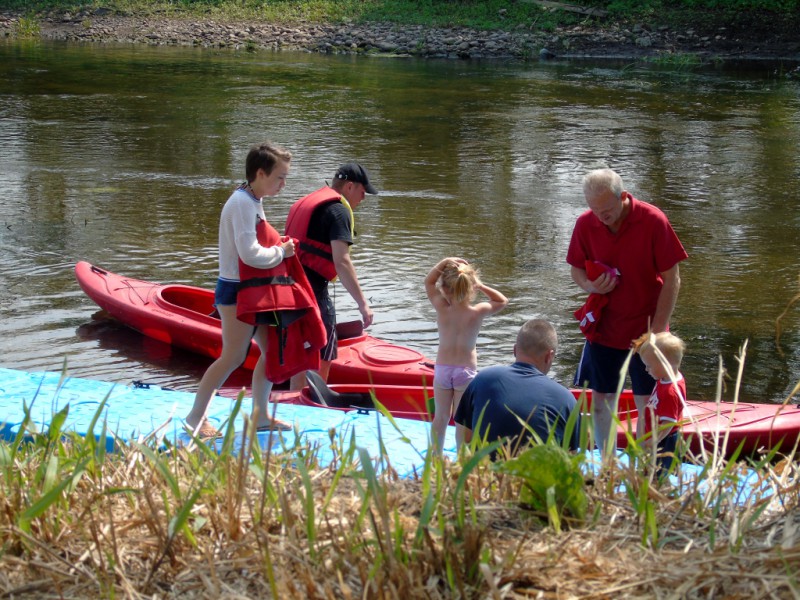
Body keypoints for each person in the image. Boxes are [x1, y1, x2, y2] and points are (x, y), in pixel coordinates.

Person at [566, 168, 687, 456]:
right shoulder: (586, 223)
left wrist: (657, 331)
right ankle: (606, 462)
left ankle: (646, 463)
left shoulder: (653, 220)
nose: (600, 217)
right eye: (594, 210)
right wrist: (590, 286)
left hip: (647, 328)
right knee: (600, 399)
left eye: (606, 210)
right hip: (605, 330)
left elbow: (673, 279)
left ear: (623, 197)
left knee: (648, 401)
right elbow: (576, 270)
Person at [185, 142, 294, 439]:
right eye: (280, 177)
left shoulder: (251, 199)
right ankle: (195, 418)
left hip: (253, 290)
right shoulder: (242, 203)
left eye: (285, 178)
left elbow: (253, 247)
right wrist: (281, 253)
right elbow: (249, 254)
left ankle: (259, 416)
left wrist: (276, 248)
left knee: (271, 353)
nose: (283, 184)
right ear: (260, 173)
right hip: (235, 291)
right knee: (232, 357)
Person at [286, 162, 378, 390]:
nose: (363, 198)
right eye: (362, 191)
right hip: (312, 291)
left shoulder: (310, 201)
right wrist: (363, 304)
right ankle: (310, 406)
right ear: (349, 187)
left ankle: (294, 399)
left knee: (299, 350)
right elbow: (342, 261)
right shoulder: (338, 211)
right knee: (324, 347)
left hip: (288, 288)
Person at [454, 319, 581, 455]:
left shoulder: (482, 379)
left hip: (485, 473)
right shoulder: (566, 399)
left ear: (514, 350)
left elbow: (463, 441)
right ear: (549, 356)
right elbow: (570, 459)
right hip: (535, 475)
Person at [425, 257, 508, 453]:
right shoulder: (477, 312)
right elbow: (502, 301)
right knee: (462, 422)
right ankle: (462, 459)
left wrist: (444, 262)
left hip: (443, 370)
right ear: (470, 288)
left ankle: (436, 457)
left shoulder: (441, 307)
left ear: (444, 289)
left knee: (441, 417)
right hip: (465, 372)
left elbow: (428, 282)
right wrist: (480, 285)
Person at [633, 331, 687, 476]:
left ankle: (659, 494)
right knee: (651, 472)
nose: (646, 369)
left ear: (664, 364)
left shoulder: (670, 391)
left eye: (649, 366)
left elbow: (668, 424)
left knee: (660, 474)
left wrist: (652, 441)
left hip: (665, 441)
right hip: (659, 436)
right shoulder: (665, 378)